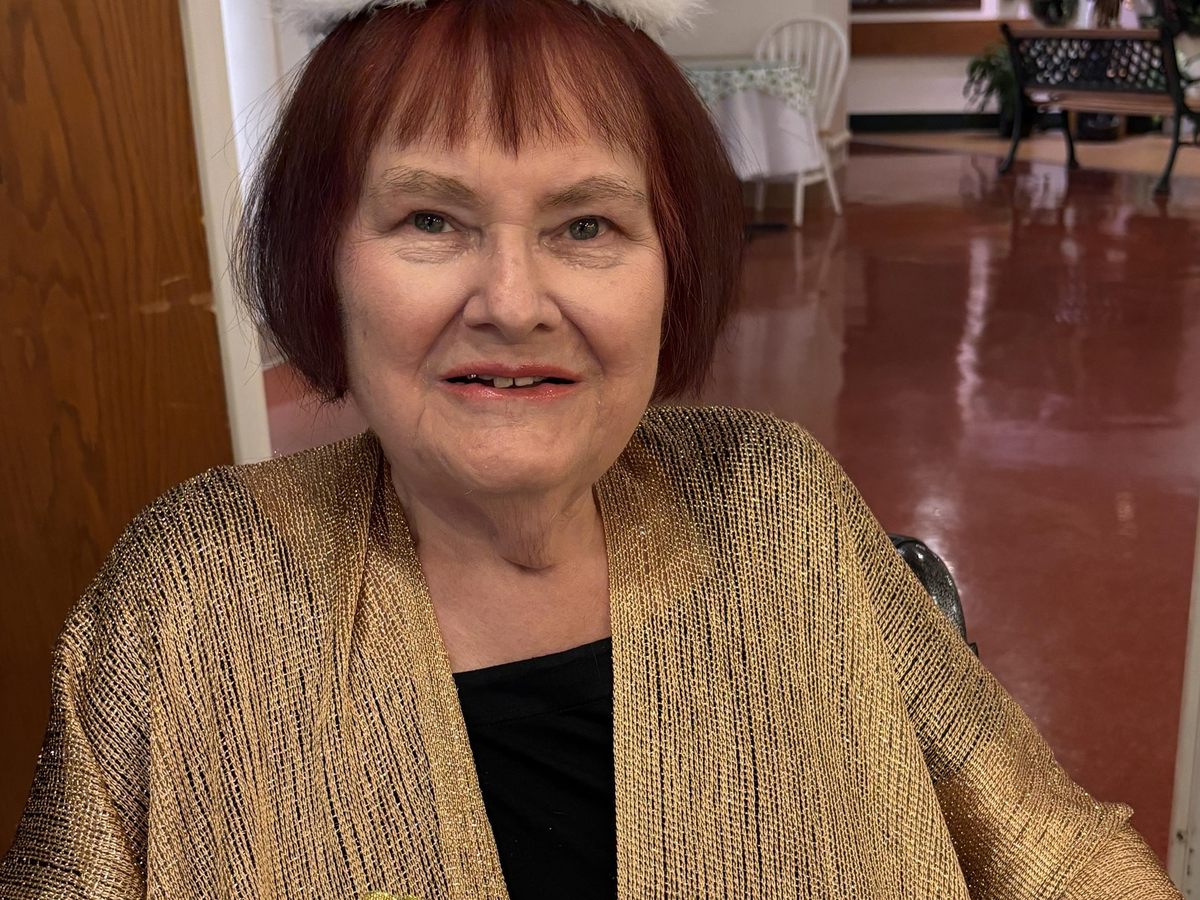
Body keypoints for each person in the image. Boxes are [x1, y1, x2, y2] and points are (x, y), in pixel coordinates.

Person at [0, 0, 1182, 897]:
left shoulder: (779, 505)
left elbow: (1059, 854)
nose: (513, 303)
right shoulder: (186, 598)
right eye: (430, 218)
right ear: (324, 266)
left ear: (674, 267)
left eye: (586, 224)